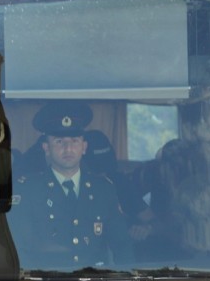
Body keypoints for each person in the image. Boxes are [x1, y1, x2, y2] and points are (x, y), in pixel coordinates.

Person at [9, 102, 132, 269]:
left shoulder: (103, 189)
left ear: (84, 147)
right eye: (59, 141)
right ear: (46, 148)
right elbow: (19, 250)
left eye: (74, 141)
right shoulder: (27, 190)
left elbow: (122, 246)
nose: (68, 148)